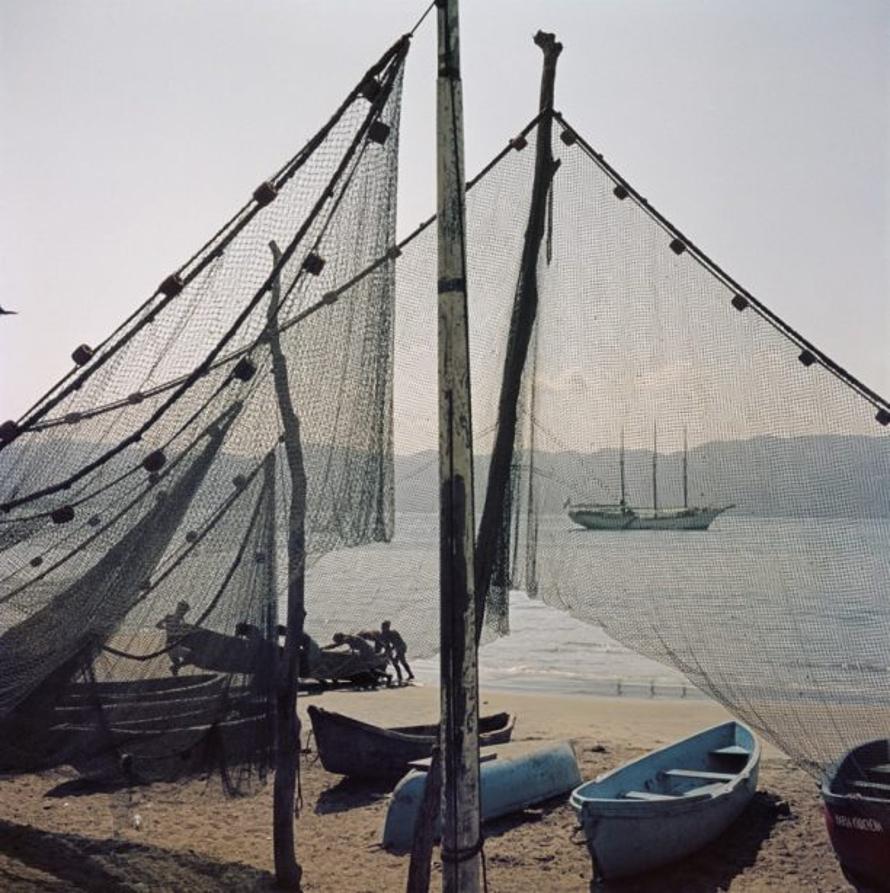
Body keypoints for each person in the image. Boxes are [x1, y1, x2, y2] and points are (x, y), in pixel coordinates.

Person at [155, 600, 194, 676]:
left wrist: (165, 628)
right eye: (185, 610)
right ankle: (174, 668)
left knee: (177, 664)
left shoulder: (169, 617)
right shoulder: (180, 620)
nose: (185, 612)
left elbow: (158, 625)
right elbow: (182, 632)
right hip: (174, 645)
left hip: (168, 646)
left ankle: (175, 674)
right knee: (192, 656)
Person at [380, 620, 414, 684]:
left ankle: (403, 676)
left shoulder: (393, 632)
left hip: (401, 647)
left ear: (388, 627)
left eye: (384, 627)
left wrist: (394, 653)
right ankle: (406, 675)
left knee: (399, 661)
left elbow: (398, 643)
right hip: (396, 647)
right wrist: (388, 652)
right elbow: (388, 645)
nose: (382, 628)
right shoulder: (385, 634)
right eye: (382, 627)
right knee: (396, 662)